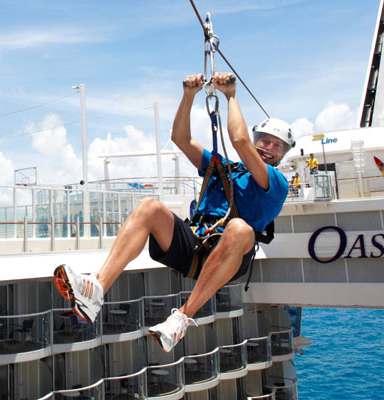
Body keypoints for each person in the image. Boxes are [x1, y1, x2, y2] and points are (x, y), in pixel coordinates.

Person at [53, 72, 295, 353]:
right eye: (264, 140)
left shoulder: (277, 183)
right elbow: (180, 138)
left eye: (276, 145)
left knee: (240, 228)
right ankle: (96, 288)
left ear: (282, 154)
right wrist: (188, 97)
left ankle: (182, 318)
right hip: (196, 245)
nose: (268, 148)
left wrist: (230, 96)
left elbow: (239, 139)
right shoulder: (226, 168)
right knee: (149, 207)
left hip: (229, 255)